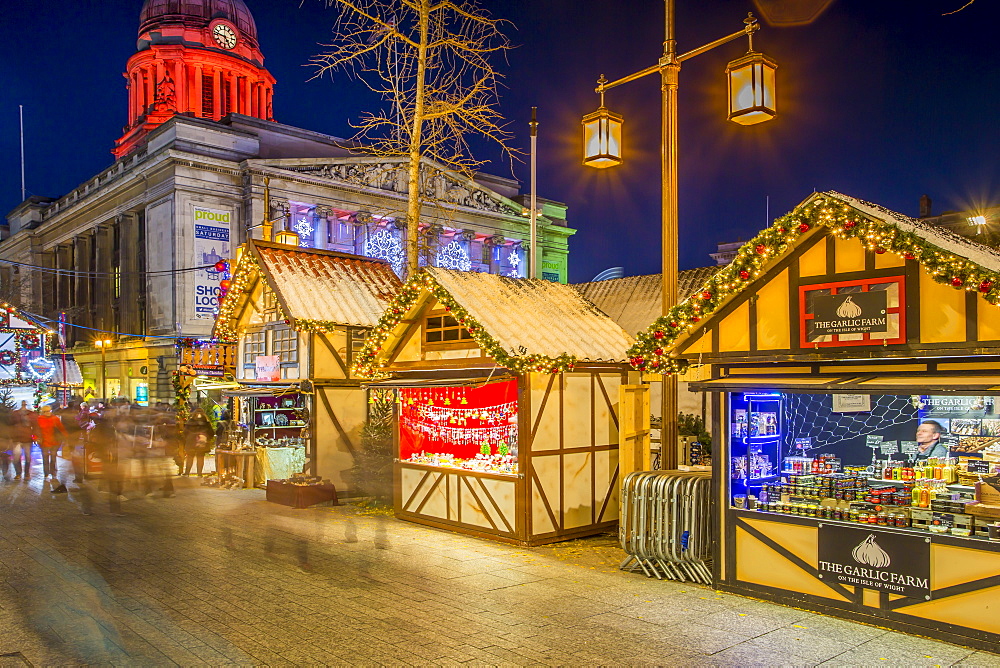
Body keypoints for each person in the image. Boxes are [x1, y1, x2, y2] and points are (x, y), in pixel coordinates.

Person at [36, 404, 69, 481]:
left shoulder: (55, 418)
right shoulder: (39, 419)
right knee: (45, 458)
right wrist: (36, 438)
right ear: (43, 412)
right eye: (46, 411)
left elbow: (61, 428)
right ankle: (46, 473)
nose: (48, 412)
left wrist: (66, 437)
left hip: (55, 441)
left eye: (49, 411)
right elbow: (36, 430)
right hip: (44, 441)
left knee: (53, 457)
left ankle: (53, 472)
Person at [183, 409, 214, 476]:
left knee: (190, 457)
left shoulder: (190, 422)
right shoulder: (206, 423)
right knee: (200, 457)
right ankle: (199, 473)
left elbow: (185, 432)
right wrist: (207, 438)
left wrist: (188, 438)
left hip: (191, 442)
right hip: (202, 442)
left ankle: (187, 473)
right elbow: (211, 433)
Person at [11, 401, 35, 480]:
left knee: (27, 457)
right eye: (23, 405)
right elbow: (10, 424)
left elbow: (35, 425)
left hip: (27, 438)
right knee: (16, 457)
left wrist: (36, 436)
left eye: (25, 404)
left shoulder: (31, 414)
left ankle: (26, 473)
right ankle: (18, 473)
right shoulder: (15, 414)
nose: (24, 406)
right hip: (17, 438)